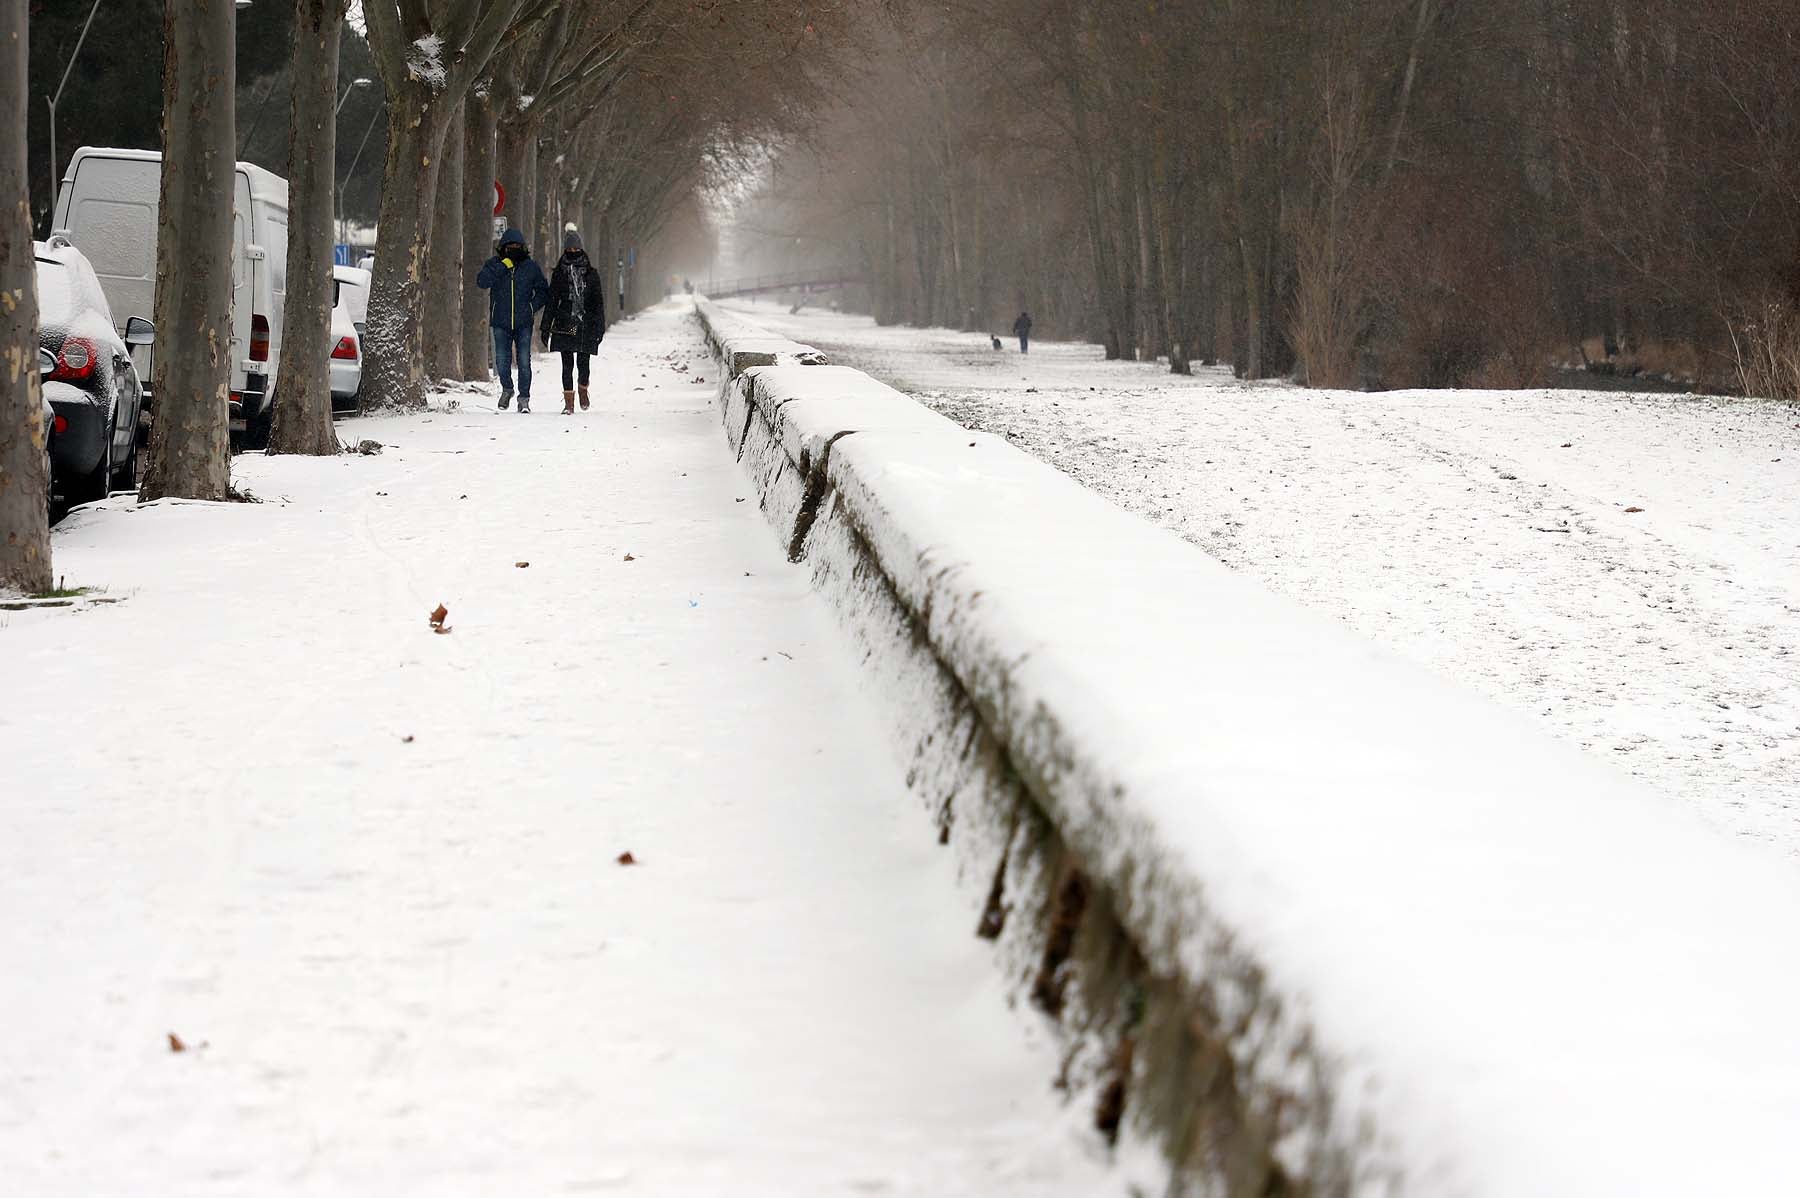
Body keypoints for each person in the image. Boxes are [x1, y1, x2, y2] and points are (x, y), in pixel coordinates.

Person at [476, 227, 549, 412]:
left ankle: (524, 398)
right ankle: (507, 389)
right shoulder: (494, 263)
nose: (514, 249)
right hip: (500, 321)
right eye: (510, 246)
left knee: (524, 361)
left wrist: (532, 307)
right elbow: (482, 282)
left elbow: (543, 291)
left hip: (524, 322)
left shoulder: (531, 266)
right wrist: (503, 266)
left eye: (517, 246)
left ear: (523, 247)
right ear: (503, 247)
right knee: (502, 360)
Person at [541, 224, 606, 414]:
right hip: (566, 324)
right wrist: (546, 327)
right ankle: (569, 403)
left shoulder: (592, 275)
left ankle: (583, 388)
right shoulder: (559, 273)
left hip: (585, 324)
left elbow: (598, 303)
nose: (572, 252)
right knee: (567, 362)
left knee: (583, 363)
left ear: (582, 249)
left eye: (576, 249)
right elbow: (552, 300)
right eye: (569, 249)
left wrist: (599, 328)